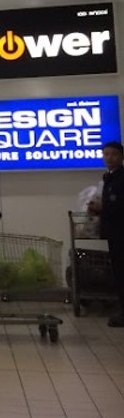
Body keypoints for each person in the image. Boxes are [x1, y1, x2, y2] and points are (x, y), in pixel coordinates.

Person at [88, 140, 124, 327]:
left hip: (121, 232)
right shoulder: (108, 178)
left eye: (114, 154)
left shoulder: (121, 179)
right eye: (106, 154)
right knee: (117, 272)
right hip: (113, 232)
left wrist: (104, 207)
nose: (109, 158)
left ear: (121, 156)